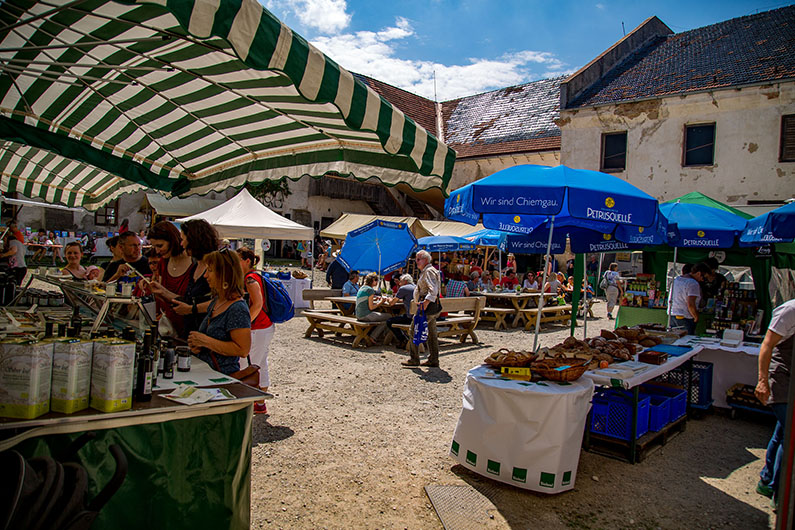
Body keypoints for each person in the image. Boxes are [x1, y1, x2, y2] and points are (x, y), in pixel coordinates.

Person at [755, 298, 795, 509]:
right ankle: (779, 489)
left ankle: (766, 480)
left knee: (782, 433)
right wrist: (762, 381)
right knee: (790, 435)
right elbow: (767, 345)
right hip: (781, 380)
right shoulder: (790, 310)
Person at [188, 249, 251, 375]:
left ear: (224, 274)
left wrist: (205, 341)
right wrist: (199, 346)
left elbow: (243, 350)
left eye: (210, 271)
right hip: (206, 374)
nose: (205, 275)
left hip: (223, 376)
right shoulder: (217, 301)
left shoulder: (237, 308)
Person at [238, 247, 275, 414]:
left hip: (257, 327)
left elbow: (257, 303)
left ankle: (249, 401)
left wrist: (246, 324)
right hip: (264, 326)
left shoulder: (250, 278)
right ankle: (260, 402)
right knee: (260, 363)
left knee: (248, 365)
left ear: (247, 261)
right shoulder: (255, 276)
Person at [148, 221, 193, 337]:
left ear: (172, 240)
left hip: (189, 329)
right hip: (167, 328)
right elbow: (162, 297)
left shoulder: (194, 263)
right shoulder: (163, 263)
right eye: (154, 246)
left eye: (160, 245)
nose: (157, 251)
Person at [174, 219, 219, 333]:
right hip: (192, 331)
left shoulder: (215, 266)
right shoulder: (195, 267)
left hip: (208, 333)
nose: (181, 244)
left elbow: (221, 302)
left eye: (183, 239)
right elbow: (190, 299)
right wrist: (161, 291)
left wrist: (190, 310)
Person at [403, 250, 442, 368]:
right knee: (432, 333)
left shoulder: (428, 271)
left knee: (413, 330)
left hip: (427, 307)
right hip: (432, 306)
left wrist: (425, 302)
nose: (416, 261)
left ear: (426, 260)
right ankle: (434, 359)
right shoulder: (429, 271)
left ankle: (414, 359)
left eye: (419, 259)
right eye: (416, 259)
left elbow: (433, 289)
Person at [666, 262, 708, 334]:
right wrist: (696, 317)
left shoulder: (677, 279)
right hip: (685, 318)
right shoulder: (693, 283)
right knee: (685, 340)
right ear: (698, 273)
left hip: (672, 315)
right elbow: (691, 304)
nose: (702, 280)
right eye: (703, 277)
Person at [355, 272, 392, 340]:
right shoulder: (370, 290)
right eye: (376, 280)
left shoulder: (362, 287)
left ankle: (378, 336)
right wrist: (381, 302)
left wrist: (374, 298)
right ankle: (374, 337)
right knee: (389, 317)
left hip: (358, 314)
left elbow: (366, 299)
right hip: (365, 315)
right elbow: (371, 307)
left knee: (383, 318)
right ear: (373, 281)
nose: (377, 282)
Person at [385, 274, 415, 349]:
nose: (399, 283)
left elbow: (392, 303)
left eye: (400, 282)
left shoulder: (403, 288)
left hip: (410, 318)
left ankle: (403, 340)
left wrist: (388, 299)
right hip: (419, 316)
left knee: (389, 321)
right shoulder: (416, 287)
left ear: (405, 282)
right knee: (399, 317)